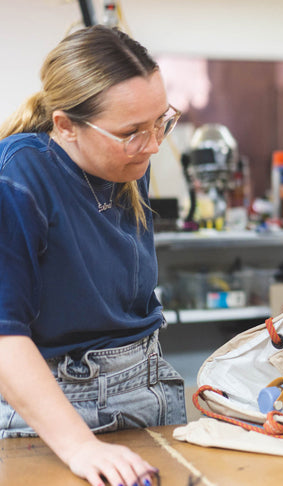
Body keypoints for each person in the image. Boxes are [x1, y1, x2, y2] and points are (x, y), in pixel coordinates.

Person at [0, 25, 186, 486]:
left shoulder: (128, 159)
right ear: (65, 126)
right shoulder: (17, 179)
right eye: (131, 133)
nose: (154, 145)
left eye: (161, 121)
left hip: (148, 383)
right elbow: (4, 339)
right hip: (57, 409)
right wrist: (80, 446)